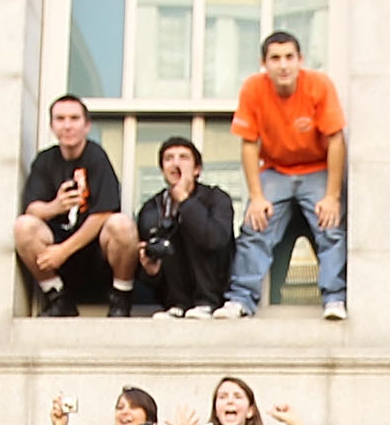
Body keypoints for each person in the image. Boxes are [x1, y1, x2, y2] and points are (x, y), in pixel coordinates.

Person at [225, 31, 349, 321]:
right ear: (264, 63)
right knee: (255, 227)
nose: (283, 65)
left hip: (317, 167)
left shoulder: (319, 85)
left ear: (300, 60)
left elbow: (336, 140)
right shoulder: (253, 89)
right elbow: (248, 144)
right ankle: (241, 299)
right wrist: (256, 196)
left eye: (289, 57)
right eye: (275, 58)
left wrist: (332, 196)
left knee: (330, 227)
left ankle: (334, 298)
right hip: (276, 169)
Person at [14, 94, 136, 319]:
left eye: (74, 118)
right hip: (57, 258)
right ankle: (57, 297)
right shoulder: (45, 160)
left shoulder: (96, 156)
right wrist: (55, 207)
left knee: (121, 225)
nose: (67, 125)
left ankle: (121, 297)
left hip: (96, 255)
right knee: (24, 227)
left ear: (87, 125)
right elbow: (32, 209)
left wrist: (64, 250)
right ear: (51, 125)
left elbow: (104, 212)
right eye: (60, 119)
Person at [134, 135, 238, 317]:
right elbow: (148, 270)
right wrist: (151, 272)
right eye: (168, 158)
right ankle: (178, 304)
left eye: (183, 157)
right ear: (162, 170)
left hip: (215, 292)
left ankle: (205, 302)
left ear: (197, 169)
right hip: (172, 300)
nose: (175, 164)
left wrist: (185, 201)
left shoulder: (217, 198)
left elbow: (215, 239)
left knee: (192, 223)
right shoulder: (152, 208)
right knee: (168, 235)